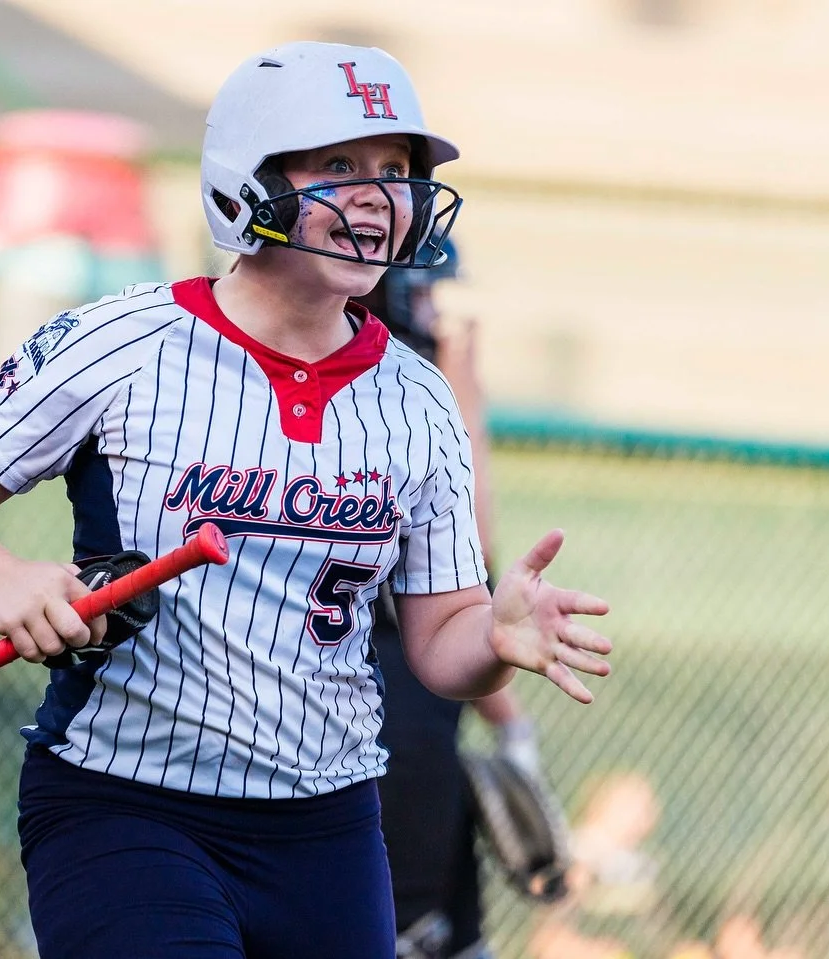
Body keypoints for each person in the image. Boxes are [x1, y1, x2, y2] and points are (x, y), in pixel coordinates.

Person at [0, 40, 612, 959]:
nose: (379, 197)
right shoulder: (124, 342)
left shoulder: (419, 399)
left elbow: (440, 641)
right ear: (248, 181)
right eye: (341, 166)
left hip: (329, 826)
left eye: (395, 171)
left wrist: (497, 641)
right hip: (125, 803)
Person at [356, 238, 550, 959]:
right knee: (404, 926)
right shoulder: (398, 387)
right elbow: (476, 544)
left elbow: (460, 599)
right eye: (430, 293)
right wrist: (461, 390)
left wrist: (513, 728)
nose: (443, 314)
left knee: (451, 929)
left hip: (412, 699)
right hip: (374, 712)